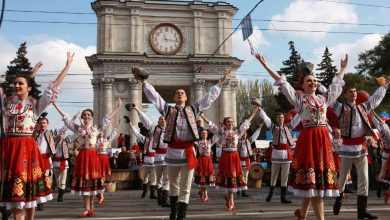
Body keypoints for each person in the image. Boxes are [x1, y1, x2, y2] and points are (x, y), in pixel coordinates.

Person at [255, 52, 348, 220]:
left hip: (322, 140)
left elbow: (335, 88)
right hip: (309, 139)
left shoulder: (323, 99)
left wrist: (342, 69)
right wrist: (265, 64)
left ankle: (302, 215)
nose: (313, 83)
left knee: (312, 185)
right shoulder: (299, 100)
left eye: (314, 80)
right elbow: (283, 84)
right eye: (309, 81)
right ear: (303, 85)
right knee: (313, 184)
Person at [132, 66, 231, 220]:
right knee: (173, 185)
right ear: (174, 98)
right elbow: (155, 97)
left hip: (188, 153)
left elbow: (208, 98)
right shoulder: (168, 110)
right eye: (177, 93)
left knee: (185, 187)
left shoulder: (194, 109)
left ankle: (181, 216)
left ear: (186, 98)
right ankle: (173, 210)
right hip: (172, 154)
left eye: (182, 93)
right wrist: (144, 81)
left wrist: (220, 83)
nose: (180, 94)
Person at [0, 52, 73, 220]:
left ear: (29, 88)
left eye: (20, 84)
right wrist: (31, 74)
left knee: (29, 196)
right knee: (16, 197)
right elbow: (19, 89)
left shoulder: (34, 106)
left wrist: (67, 66)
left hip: (26, 150)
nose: (16, 86)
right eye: (15, 83)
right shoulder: (8, 103)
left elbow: (53, 87)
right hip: (9, 150)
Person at [52, 98, 122, 218]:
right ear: (82, 117)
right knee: (84, 184)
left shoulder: (96, 128)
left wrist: (117, 107)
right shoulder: (77, 128)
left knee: (92, 183)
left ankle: (91, 207)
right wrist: (55, 105)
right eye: (84, 115)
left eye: (88, 115)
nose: (86, 116)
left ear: (91, 117)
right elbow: (67, 119)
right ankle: (86, 208)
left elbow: (108, 119)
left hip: (93, 157)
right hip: (83, 157)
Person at [331, 78, 389, 220]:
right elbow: (330, 98)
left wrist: (385, 86)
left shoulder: (363, 107)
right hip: (346, 148)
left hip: (361, 148)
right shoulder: (340, 108)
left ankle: (362, 211)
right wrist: (334, 83)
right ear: (345, 95)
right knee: (343, 178)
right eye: (350, 92)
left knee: (364, 179)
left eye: (355, 91)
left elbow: (375, 99)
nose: (353, 93)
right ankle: (338, 199)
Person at [201, 106, 259, 211]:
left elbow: (246, 124)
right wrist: (202, 116)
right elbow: (211, 125)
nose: (230, 123)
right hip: (226, 157)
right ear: (225, 123)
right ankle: (229, 198)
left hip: (234, 157)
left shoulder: (238, 133)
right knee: (227, 176)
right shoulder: (221, 132)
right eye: (228, 122)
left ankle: (231, 200)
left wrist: (253, 113)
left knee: (233, 177)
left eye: (232, 122)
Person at [130, 105, 170, 207]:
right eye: (161, 119)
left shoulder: (171, 130)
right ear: (158, 122)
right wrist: (137, 109)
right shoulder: (154, 129)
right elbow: (145, 119)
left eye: (164, 119)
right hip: (157, 158)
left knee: (166, 179)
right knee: (158, 179)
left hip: (167, 157)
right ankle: (159, 198)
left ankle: (164, 199)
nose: (162, 120)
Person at [259, 109, 300, 204]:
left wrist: (302, 110)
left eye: (282, 117)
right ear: (276, 119)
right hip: (276, 154)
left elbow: (296, 119)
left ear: (284, 118)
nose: (280, 119)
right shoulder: (273, 127)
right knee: (274, 175)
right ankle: (270, 193)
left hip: (286, 155)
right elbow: (266, 119)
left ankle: (283, 197)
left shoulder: (288, 127)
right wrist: (260, 108)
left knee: (285, 176)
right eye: (278, 117)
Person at [128, 116, 158, 200]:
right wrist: (130, 124)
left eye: (152, 132)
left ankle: (153, 194)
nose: (151, 133)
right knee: (145, 177)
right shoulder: (145, 139)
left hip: (154, 161)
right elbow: (136, 133)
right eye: (150, 132)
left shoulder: (157, 140)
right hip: (146, 161)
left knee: (153, 177)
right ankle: (144, 192)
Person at [33, 116, 56, 211]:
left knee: (45, 180)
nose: (42, 124)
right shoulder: (35, 134)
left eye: (44, 123)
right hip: (36, 160)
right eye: (41, 123)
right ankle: (37, 201)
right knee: (36, 180)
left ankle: (42, 201)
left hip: (46, 159)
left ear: (47, 124)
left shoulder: (49, 133)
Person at [96, 119, 120, 204]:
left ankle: (101, 195)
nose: (101, 133)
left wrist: (117, 125)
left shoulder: (106, 140)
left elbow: (112, 134)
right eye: (100, 132)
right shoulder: (94, 141)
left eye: (102, 132)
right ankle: (99, 193)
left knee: (103, 176)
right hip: (97, 158)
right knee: (97, 177)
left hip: (104, 158)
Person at [237, 121, 262, 197]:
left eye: (245, 134)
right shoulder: (238, 142)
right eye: (243, 134)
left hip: (247, 161)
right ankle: (238, 189)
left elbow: (255, 136)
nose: (244, 135)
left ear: (246, 135)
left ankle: (244, 191)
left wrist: (259, 128)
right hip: (240, 161)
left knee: (246, 176)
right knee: (239, 176)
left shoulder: (249, 141)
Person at [194, 129, 218, 203]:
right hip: (201, 160)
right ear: (200, 134)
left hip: (208, 160)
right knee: (202, 177)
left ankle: (205, 194)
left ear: (207, 134)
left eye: (205, 133)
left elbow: (217, 136)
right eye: (203, 133)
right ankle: (203, 194)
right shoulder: (198, 142)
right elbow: (191, 139)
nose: (204, 134)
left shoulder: (210, 142)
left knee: (206, 177)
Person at [372, 112, 390, 203]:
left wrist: (373, 114)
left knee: (383, 172)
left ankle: (380, 186)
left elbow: (377, 122)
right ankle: (386, 190)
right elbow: (380, 122)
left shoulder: (383, 130)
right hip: (387, 153)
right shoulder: (387, 131)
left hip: (385, 154)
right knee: (385, 173)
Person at [52, 126, 70, 202]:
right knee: (58, 179)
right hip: (56, 162)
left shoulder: (66, 141)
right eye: (60, 133)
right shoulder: (54, 142)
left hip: (63, 162)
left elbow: (72, 130)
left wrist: (72, 119)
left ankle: (60, 196)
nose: (61, 135)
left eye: (62, 134)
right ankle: (60, 190)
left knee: (63, 179)